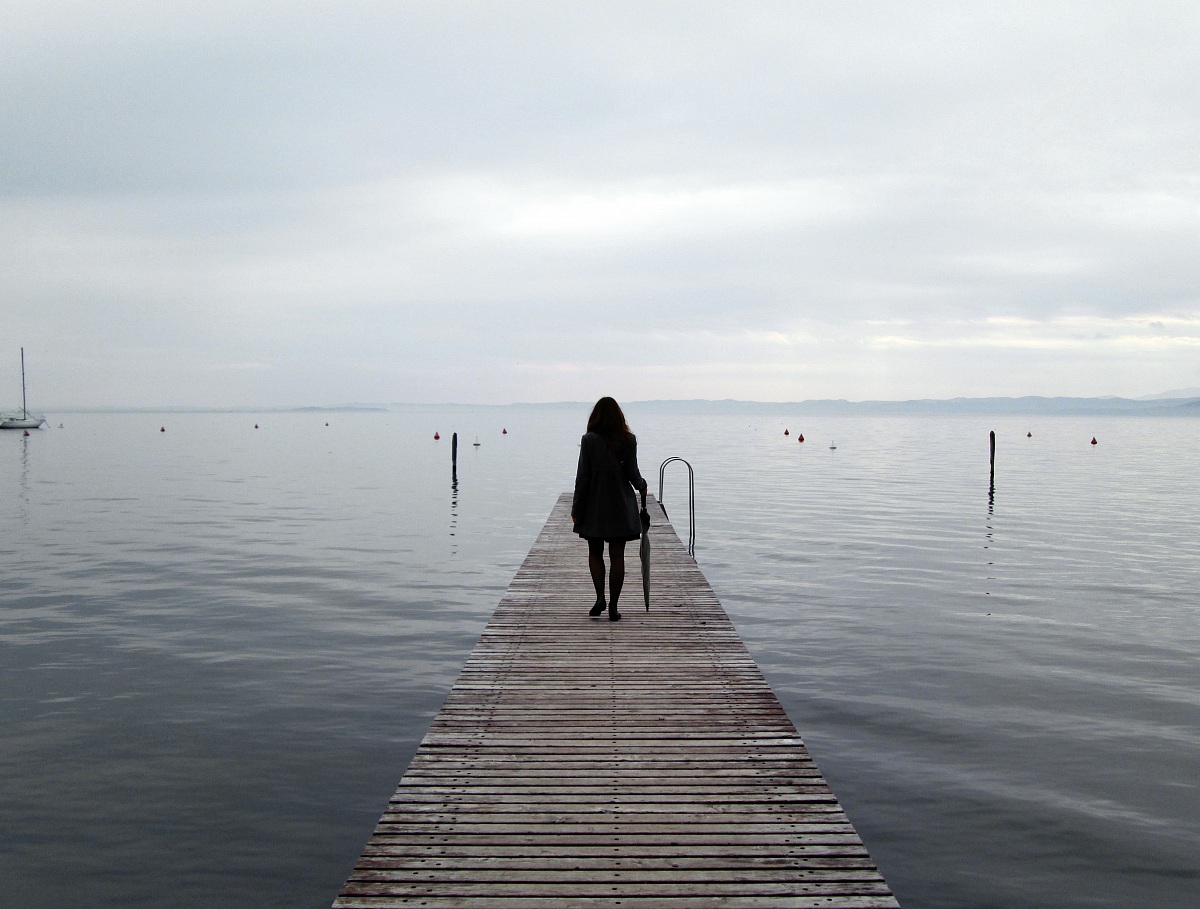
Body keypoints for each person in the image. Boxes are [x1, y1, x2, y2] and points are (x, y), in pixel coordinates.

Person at [571, 397, 648, 622]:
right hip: (620, 505)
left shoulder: (588, 440)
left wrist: (577, 509)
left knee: (595, 552)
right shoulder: (629, 439)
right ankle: (613, 607)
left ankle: (599, 598)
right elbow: (633, 473)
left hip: (594, 505)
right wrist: (642, 486)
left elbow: (582, 477)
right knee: (617, 556)